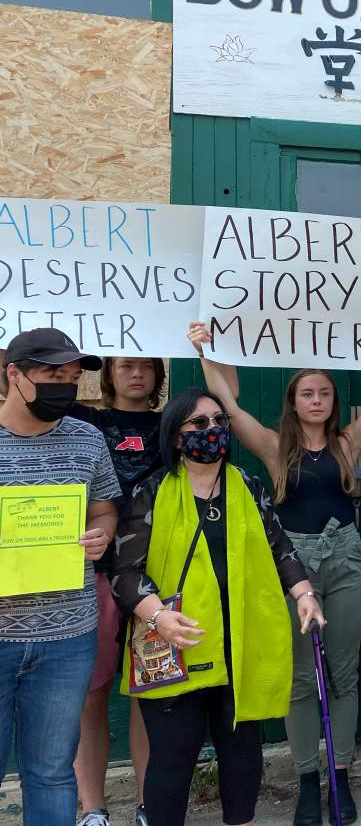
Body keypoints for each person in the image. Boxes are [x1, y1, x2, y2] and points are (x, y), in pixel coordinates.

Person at [189, 311, 361, 826]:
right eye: (307, 393)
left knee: (343, 675)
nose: (317, 400)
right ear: (293, 401)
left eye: (325, 393)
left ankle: (341, 776)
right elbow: (228, 405)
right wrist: (205, 351)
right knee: (298, 681)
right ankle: (308, 780)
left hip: (348, 561)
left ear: (333, 403)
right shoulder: (275, 447)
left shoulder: (348, 442)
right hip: (295, 569)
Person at [110, 387, 324, 826]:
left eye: (219, 422)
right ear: (176, 437)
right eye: (199, 424)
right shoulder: (152, 492)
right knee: (171, 761)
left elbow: (279, 547)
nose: (213, 431)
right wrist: (157, 616)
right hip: (175, 644)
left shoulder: (247, 486)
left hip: (240, 644)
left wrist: (304, 595)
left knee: (242, 754)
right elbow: (124, 571)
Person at [0, 328, 120, 826]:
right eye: (52, 375)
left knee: (52, 772)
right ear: (14, 374)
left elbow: (105, 511)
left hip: (68, 635)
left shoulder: (86, 439)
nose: (64, 388)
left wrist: (101, 535)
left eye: (71, 378)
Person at [69, 357, 166, 826]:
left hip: (154, 574)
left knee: (149, 691)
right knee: (93, 694)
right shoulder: (88, 421)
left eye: (147, 366)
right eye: (126, 365)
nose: (137, 374)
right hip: (98, 576)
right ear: (107, 375)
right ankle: (93, 809)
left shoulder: (174, 424)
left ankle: (149, 805)